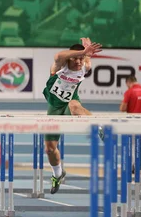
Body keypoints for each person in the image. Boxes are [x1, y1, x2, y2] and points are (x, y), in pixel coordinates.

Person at [42, 38, 103, 194]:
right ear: (69, 58)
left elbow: (86, 57)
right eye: (75, 58)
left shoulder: (85, 65)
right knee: (49, 149)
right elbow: (58, 55)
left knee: (74, 105)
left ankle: (101, 128)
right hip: (55, 107)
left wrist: (86, 52)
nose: (78, 62)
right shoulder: (59, 66)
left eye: (81, 59)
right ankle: (58, 174)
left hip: (70, 101)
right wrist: (82, 51)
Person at [120, 75, 141, 172]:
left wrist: (132, 106)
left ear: (128, 82)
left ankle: (133, 167)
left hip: (133, 121)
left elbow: (122, 108)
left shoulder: (129, 92)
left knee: (133, 144)